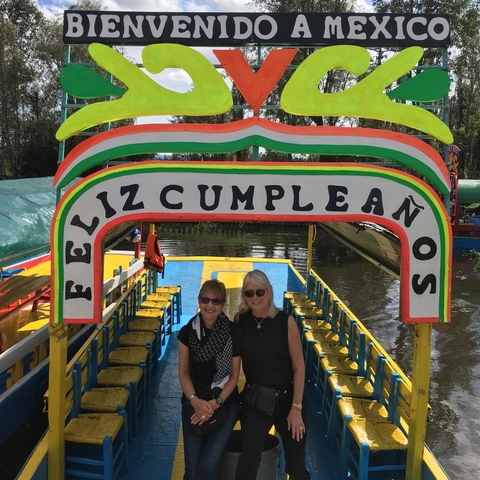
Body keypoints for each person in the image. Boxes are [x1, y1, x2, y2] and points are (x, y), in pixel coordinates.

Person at [234, 270, 310, 480]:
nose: (255, 298)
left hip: (288, 401)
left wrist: (296, 410)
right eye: (249, 293)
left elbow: (299, 367)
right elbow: (231, 360)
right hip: (257, 399)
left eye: (260, 292)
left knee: (296, 467)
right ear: (244, 296)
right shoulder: (241, 320)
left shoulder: (286, 322)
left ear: (269, 292)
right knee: (249, 457)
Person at [178, 279, 242, 480]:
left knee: (209, 464)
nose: (210, 305)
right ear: (199, 301)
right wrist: (195, 402)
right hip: (194, 402)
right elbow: (184, 373)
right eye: (205, 300)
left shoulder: (233, 332)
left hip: (224, 402)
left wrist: (216, 403)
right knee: (192, 470)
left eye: (216, 301)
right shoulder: (187, 332)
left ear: (222, 304)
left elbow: (234, 376)